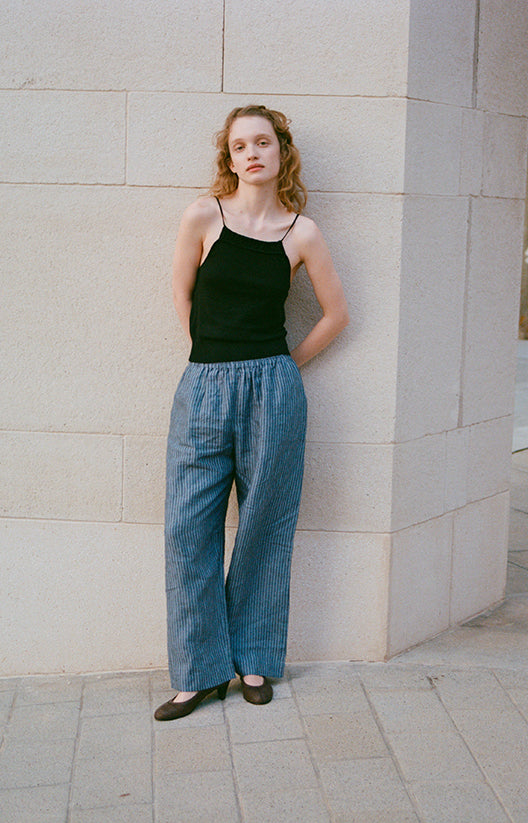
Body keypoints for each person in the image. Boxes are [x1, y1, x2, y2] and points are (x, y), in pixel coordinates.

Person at [155, 105, 349, 721]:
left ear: (280, 150)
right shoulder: (203, 217)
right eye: (239, 147)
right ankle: (198, 672)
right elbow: (183, 294)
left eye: (262, 142)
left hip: (274, 388)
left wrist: (285, 366)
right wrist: (212, 356)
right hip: (204, 385)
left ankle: (257, 660)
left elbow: (337, 316)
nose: (251, 154)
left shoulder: (302, 232)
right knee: (189, 530)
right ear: (229, 158)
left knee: (265, 523)